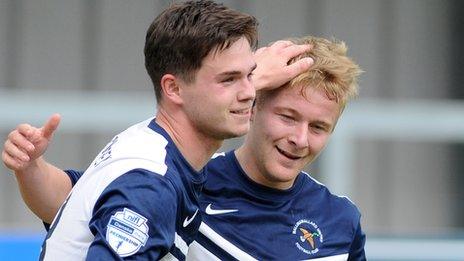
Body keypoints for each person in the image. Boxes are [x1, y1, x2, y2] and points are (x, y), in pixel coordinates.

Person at [3, 35, 365, 260]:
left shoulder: (340, 221)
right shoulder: (184, 177)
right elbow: (71, 203)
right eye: (287, 117)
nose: (300, 139)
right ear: (251, 107)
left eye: (319, 127)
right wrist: (30, 168)